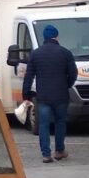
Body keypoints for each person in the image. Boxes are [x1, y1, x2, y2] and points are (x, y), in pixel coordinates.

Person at [22, 24, 78, 163]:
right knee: (60, 122)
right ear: (57, 36)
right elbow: (73, 73)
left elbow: (28, 76)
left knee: (43, 125)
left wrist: (26, 94)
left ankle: (46, 154)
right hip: (61, 95)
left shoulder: (36, 54)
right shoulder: (65, 53)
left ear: (44, 38)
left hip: (43, 96)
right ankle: (59, 151)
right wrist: (67, 85)